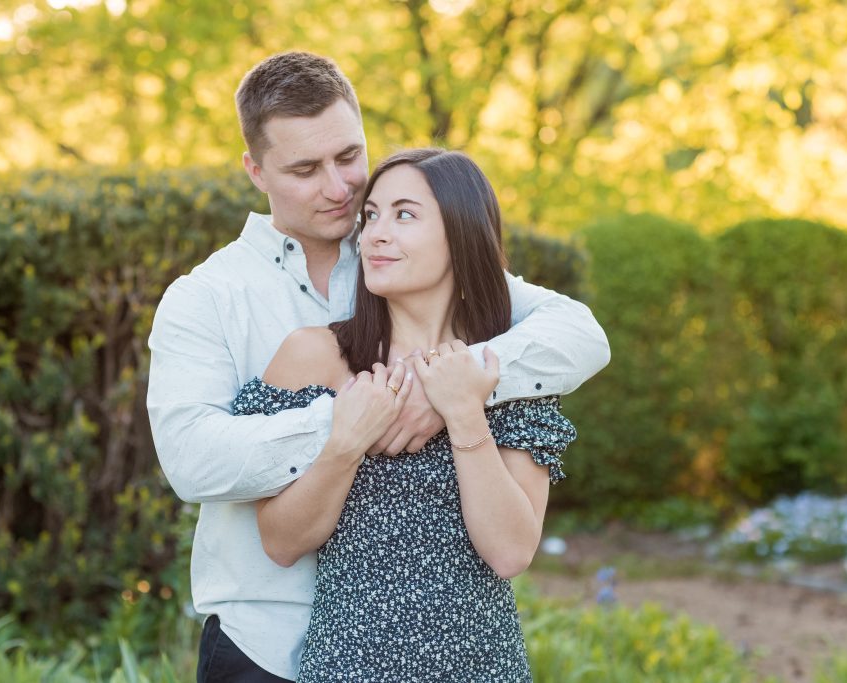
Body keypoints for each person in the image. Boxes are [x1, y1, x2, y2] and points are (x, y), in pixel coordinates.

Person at [146, 51, 609, 683]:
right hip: (264, 637)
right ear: (255, 170)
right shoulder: (208, 298)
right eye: (306, 169)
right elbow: (192, 460)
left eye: (348, 157)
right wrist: (349, 424)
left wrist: (453, 386)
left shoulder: (421, 264)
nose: (339, 189)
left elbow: (578, 335)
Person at [236, 148, 575, 682]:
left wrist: (464, 413)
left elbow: (511, 552)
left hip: (482, 668)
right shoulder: (314, 358)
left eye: (405, 215)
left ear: (461, 235)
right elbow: (281, 542)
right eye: (371, 215)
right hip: (348, 667)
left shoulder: (507, 369)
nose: (374, 234)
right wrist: (346, 444)